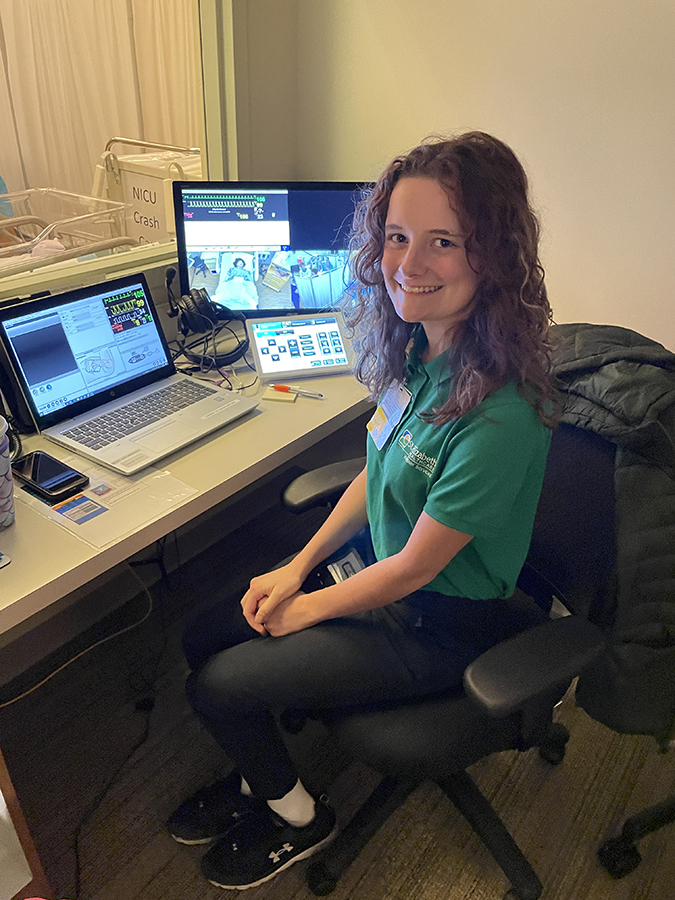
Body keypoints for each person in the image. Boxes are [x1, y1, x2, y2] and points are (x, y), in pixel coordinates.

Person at [167, 131, 558, 890]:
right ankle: (260, 776)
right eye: (397, 236)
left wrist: (308, 610)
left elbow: (414, 568)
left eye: (443, 241)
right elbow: (372, 473)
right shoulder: (421, 354)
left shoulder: (501, 414)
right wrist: (297, 566)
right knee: (205, 632)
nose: (408, 265)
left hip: (441, 618)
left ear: (493, 256)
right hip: (381, 575)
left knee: (213, 686)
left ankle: (300, 820)